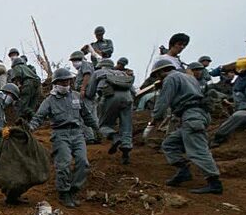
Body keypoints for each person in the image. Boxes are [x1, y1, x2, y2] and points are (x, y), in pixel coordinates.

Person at [29, 68, 100, 208]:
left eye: (67, 81)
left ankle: (73, 190)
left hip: (77, 133)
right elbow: (39, 117)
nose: (65, 83)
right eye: (62, 81)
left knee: (83, 162)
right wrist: (30, 128)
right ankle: (64, 193)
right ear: (56, 83)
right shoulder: (49, 101)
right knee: (64, 164)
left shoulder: (75, 96)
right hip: (60, 134)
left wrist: (96, 128)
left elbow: (86, 115)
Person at [149, 60, 222, 194]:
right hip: (197, 114)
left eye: (157, 75)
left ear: (160, 72)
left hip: (192, 116)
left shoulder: (170, 78)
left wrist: (154, 119)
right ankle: (183, 171)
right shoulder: (189, 77)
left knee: (197, 150)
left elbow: (163, 101)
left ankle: (214, 183)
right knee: (169, 144)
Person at [91, 58, 135, 164]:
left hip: (109, 98)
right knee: (126, 125)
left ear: (100, 65)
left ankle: (114, 136)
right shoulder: (123, 74)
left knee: (103, 125)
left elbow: (90, 92)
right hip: (127, 98)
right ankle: (125, 153)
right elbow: (133, 91)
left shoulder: (98, 73)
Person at [70, 50, 100, 143]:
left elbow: (87, 75)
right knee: (93, 116)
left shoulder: (85, 64)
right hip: (90, 95)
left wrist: (82, 89)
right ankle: (97, 136)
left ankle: (89, 137)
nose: (73, 63)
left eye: (74, 60)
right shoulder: (86, 66)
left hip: (86, 95)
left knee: (84, 116)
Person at [9, 55, 41, 122]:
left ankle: (21, 121)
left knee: (22, 106)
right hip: (37, 86)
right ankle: (32, 121)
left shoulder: (17, 67)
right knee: (31, 106)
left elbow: (18, 75)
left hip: (28, 84)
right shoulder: (27, 68)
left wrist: (18, 86)